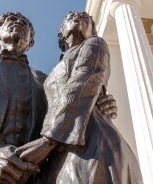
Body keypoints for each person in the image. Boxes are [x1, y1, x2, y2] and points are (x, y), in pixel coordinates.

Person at [0, 11, 117, 184]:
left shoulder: (44, 81)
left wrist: (99, 103)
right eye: (10, 20)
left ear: (30, 41)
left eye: (24, 24)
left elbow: (66, 107)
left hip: (27, 173)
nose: (18, 23)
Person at [16, 12, 143, 184]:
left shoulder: (95, 44)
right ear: (61, 31)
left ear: (92, 29)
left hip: (90, 142)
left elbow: (81, 85)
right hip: (59, 147)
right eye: (70, 17)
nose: (77, 18)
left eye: (85, 18)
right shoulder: (53, 70)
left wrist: (48, 140)